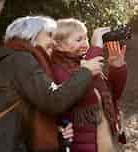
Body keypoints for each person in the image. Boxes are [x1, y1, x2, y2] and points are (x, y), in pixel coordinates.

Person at [0, 16, 104, 152]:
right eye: (49, 35)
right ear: (31, 35)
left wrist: (56, 132)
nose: (53, 41)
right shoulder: (20, 60)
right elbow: (53, 100)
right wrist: (86, 72)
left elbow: (26, 113)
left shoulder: (9, 58)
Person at [51, 18, 127, 152]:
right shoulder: (58, 69)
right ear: (58, 45)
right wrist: (96, 48)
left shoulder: (85, 63)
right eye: (79, 40)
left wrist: (117, 68)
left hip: (107, 142)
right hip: (82, 146)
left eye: (86, 38)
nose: (86, 44)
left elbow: (114, 94)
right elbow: (78, 86)